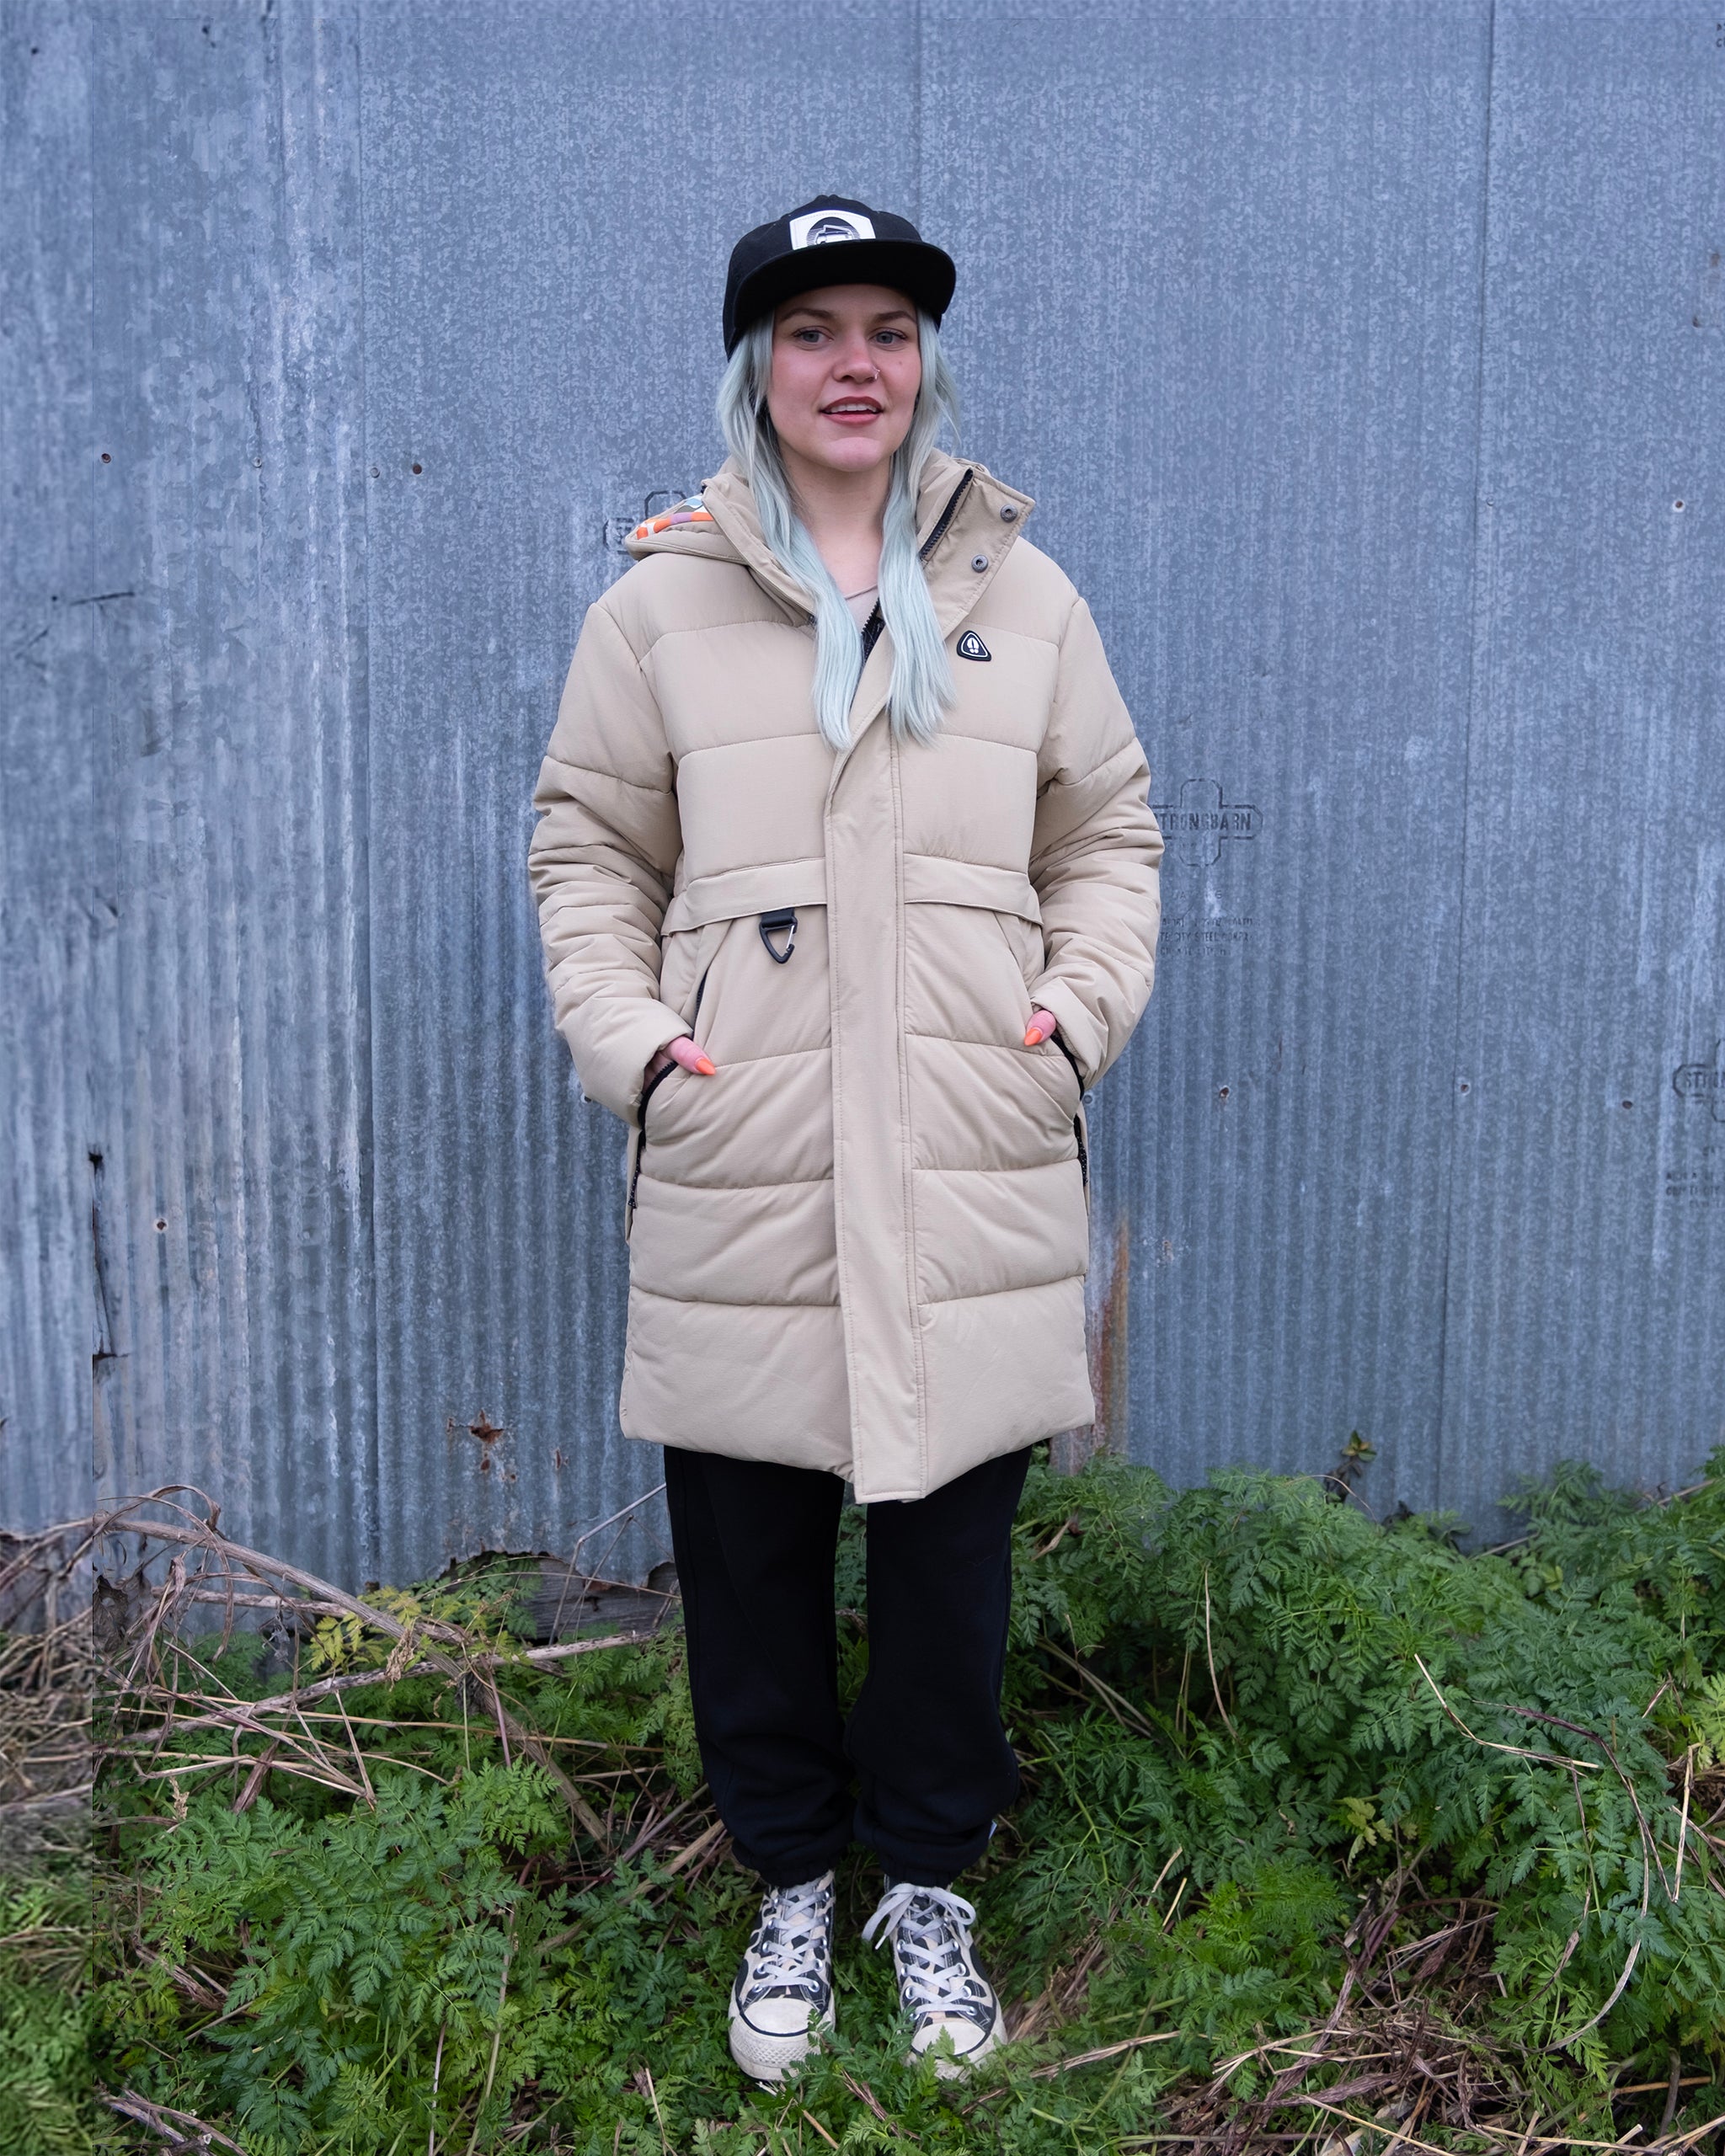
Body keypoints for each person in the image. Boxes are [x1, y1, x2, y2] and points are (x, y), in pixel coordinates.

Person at [528, 195, 1163, 2084]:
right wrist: (641, 1046)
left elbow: (1105, 835)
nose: (855, 363)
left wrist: (1074, 1018)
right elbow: (587, 853)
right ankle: (794, 1875)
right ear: (759, 367)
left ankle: (929, 1885)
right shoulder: (657, 602)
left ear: (924, 362)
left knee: (952, 1559)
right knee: (748, 1560)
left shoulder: (1022, 599)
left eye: (887, 326)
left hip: (968, 1154)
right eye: (813, 331)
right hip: (747, 1155)